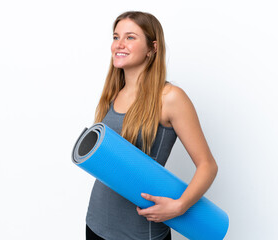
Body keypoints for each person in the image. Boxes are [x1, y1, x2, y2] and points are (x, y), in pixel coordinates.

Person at [85, 11, 218, 240]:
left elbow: (208, 165)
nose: (119, 44)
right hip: (95, 223)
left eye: (130, 37)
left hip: (139, 233)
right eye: (116, 37)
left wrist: (180, 206)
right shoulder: (113, 92)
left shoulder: (170, 98)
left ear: (152, 47)